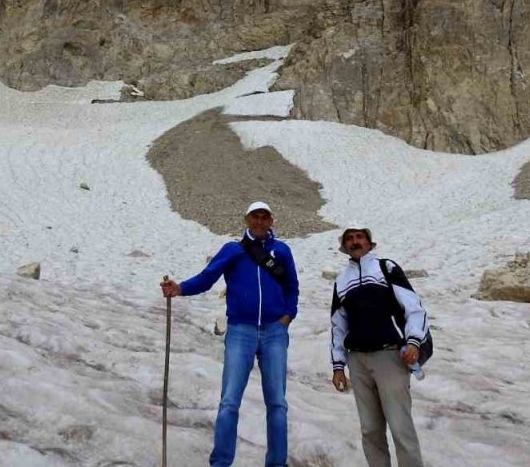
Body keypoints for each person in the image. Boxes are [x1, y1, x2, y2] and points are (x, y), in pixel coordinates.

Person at [160, 200, 300, 467]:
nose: (259, 221)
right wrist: (180, 289)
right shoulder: (233, 250)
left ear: (271, 221)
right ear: (247, 220)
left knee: (277, 404)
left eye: (264, 217)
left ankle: (276, 463)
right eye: (254, 217)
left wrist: (287, 317)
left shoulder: (282, 251)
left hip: (274, 331)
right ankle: (221, 463)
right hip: (240, 330)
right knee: (229, 402)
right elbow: (207, 277)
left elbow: (292, 287)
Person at [329, 225, 430, 467]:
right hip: (357, 360)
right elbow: (338, 325)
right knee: (370, 429)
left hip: (390, 355)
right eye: (349, 238)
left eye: (360, 237)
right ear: (344, 246)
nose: (355, 241)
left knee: (400, 426)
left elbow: (413, 307)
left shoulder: (386, 268)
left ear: (369, 242)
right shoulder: (341, 281)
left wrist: (414, 341)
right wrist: (338, 365)